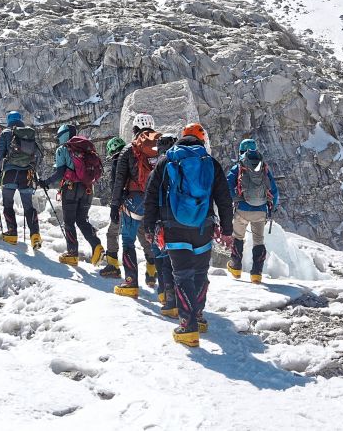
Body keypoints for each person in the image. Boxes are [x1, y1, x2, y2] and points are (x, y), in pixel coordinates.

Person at [143, 122, 233, 348]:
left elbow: (151, 196)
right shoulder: (210, 163)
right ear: (201, 141)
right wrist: (228, 231)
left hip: (174, 228)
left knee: (181, 275)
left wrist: (148, 227)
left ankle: (187, 326)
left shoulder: (166, 161)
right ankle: (199, 316)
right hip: (204, 227)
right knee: (200, 272)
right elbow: (223, 198)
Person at [109, 114, 172, 301]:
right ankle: (163, 292)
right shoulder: (163, 147)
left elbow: (119, 181)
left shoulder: (130, 149)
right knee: (158, 244)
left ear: (135, 129)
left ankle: (130, 283)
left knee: (128, 239)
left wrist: (114, 205)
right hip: (158, 201)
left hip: (135, 200)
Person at [39, 123, 105, 265]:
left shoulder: (63, 149)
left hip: (71, 189)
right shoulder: (86, 150)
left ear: (64, 135)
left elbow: (60, 172)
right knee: (82, 221)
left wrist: (46, 182)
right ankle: (97, 246)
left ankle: (72, 254)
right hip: (87, 189)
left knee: (69, 222)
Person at [226, 138, 281, 283]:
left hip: (242, 209)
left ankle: (236, 268)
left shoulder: (238, 167)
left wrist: (235, 198)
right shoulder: (264, 168)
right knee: (258, 241)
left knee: (238, 237)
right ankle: (256, 274)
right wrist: (271, 208)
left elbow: (227, 185)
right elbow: (274, 191)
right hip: (261, 210)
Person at [0, 111, 42, 248]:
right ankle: (35, 235)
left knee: (8, 203)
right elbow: (37, 155)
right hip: (26, 175)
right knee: (28, 206)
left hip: (10, 173)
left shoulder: (6, 133)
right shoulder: (28, 134)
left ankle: (12, 233)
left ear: (8, 120)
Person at [97, 136, 129, 278]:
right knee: (141, 235)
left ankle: (112, 266)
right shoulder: (132, 158)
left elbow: (117, 185)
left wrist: (115, 204)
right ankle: (151, 272)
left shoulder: (118, 162)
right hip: (138, 202)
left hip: (122, 203)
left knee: (112, 233)